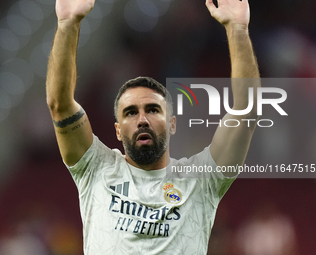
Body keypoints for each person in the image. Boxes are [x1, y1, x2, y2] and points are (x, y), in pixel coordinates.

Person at [46, 0, 260, 254]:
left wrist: (237, 29)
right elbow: (60, 104)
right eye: (130, 112)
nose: (142, 119)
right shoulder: (95, 168)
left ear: (172, 124)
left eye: (153, 110)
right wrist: (68, 24)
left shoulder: (201, 180)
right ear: (117, 130)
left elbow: (248, 112)